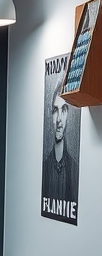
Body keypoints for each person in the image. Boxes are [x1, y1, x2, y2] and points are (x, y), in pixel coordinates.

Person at [41, 83, 79, 220]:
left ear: (68, 115)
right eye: (55, 111)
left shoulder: (74, 169)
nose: (59, 120)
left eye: (63, 110)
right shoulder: (44, 169)